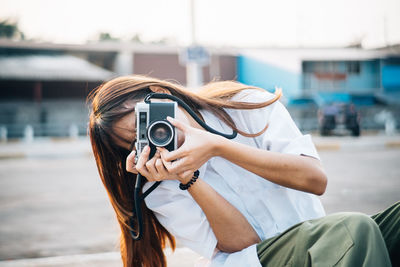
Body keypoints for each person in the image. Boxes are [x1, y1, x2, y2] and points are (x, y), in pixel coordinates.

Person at [88, 75, 399, 267]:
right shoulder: (157, 188)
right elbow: (241, 242)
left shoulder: (245, 106)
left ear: (158, 92)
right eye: (139, 139)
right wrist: (188, 177)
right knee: (353, 229)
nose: (156, 134)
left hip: (320, 239)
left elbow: (314, 179)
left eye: (147, 118)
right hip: (258, 261)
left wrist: (217, 146)